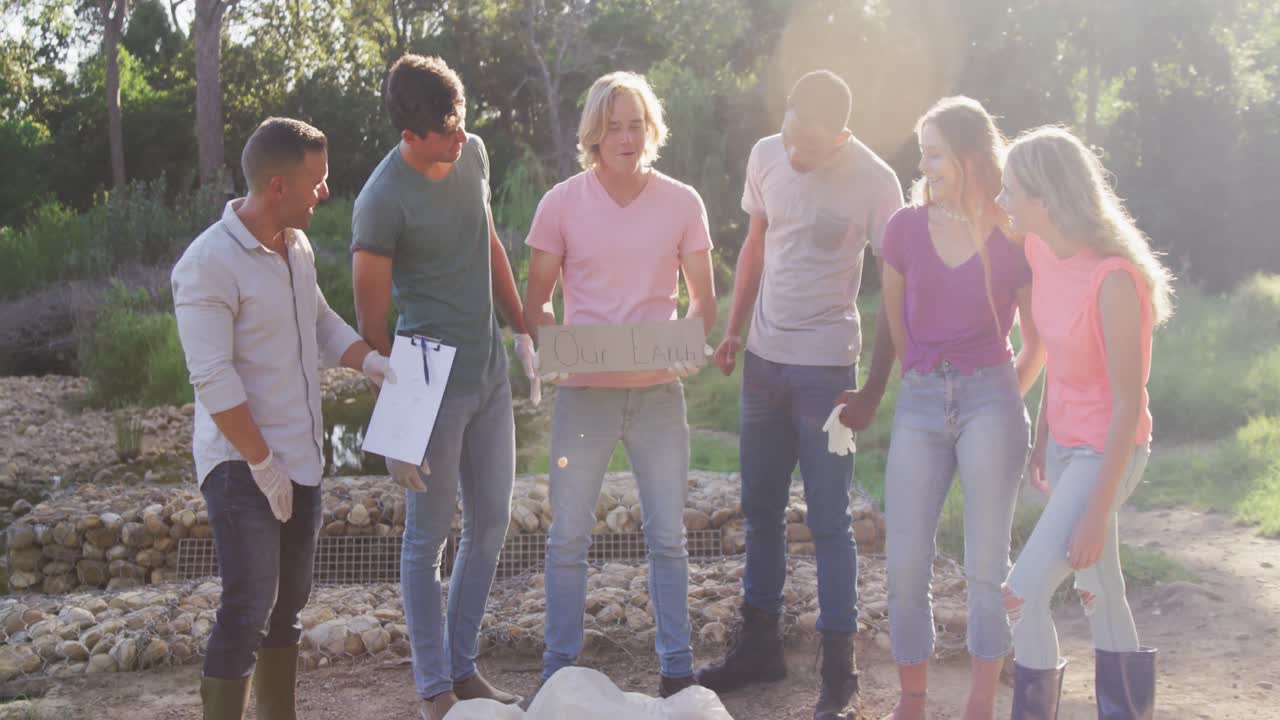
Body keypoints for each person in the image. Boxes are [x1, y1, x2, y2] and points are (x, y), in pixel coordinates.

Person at [172, 117, 394, 720]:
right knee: (249, 603)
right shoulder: (207, 265)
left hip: (303, 458)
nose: (324, 192)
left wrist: (369, 362)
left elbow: (320, 323)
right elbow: (213, 379)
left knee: (288, 601)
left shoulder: (295, 248)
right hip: (242, 464)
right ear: (277, 186)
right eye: (316, 182)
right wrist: (263, 464)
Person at [697, 70, 903, 720]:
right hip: (763, 366)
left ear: (841, 136)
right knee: (758, 510)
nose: (792, 153)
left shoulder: (877, 183)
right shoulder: (766, 155)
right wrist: (733, 331)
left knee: (829, 521)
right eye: (788, 135)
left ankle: (838, 674)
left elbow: (898, 295)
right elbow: (756, 246)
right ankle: (760, 647)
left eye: (807, 146)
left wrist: (873, 386)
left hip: (828, 373)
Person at [521, 70, 717, 703]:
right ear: (594, 135)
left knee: (668, 535)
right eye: (614, 127)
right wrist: (554, 352)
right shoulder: (561, 203)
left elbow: (703, 300)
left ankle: (677, 668)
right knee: (569, 534)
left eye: (636, 124)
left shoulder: (683, 202)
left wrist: (688, 346)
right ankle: (559, 669)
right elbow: (537, 301)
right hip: (585, 394)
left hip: (661, 394)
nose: (627, 137)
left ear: (650, 129)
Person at [350, 54, 534, 720]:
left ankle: (463, 667)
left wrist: (525, 330)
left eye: (460, 121)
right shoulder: (381, 200)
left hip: (488, 372)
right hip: (426, 378)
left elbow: (489, 245)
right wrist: (395, 425)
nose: (459, 137)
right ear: (410, 130)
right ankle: (434, 687)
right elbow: (372, 327)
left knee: (491, 522)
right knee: (425, 541)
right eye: (445, 129)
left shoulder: (474, 154)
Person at [863, 96, 1044, 720]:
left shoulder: (1011, 233)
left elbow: (1040, 338)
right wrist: (917, 372)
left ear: (969, 158)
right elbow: (894, 310)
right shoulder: (904, 228)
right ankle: (912, 703)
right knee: (905, 561)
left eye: (934, 152)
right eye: (923, 153)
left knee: (986, 565)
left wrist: (1001, 395)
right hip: (919, 402)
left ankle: (978, 705)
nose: (925, 164)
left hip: (989, 395)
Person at [996, 126, 1173, 720]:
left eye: (1012, 190)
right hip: (1069, 444)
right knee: (1100, 593)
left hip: (1111, 451)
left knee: (1021, 594)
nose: (1003, 202)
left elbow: (1128, 402)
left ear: (1046, 197)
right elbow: (1055, 351)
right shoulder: (1041, 250)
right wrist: (1044, 431)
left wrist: (1097, 511)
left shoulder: (1115, 281)